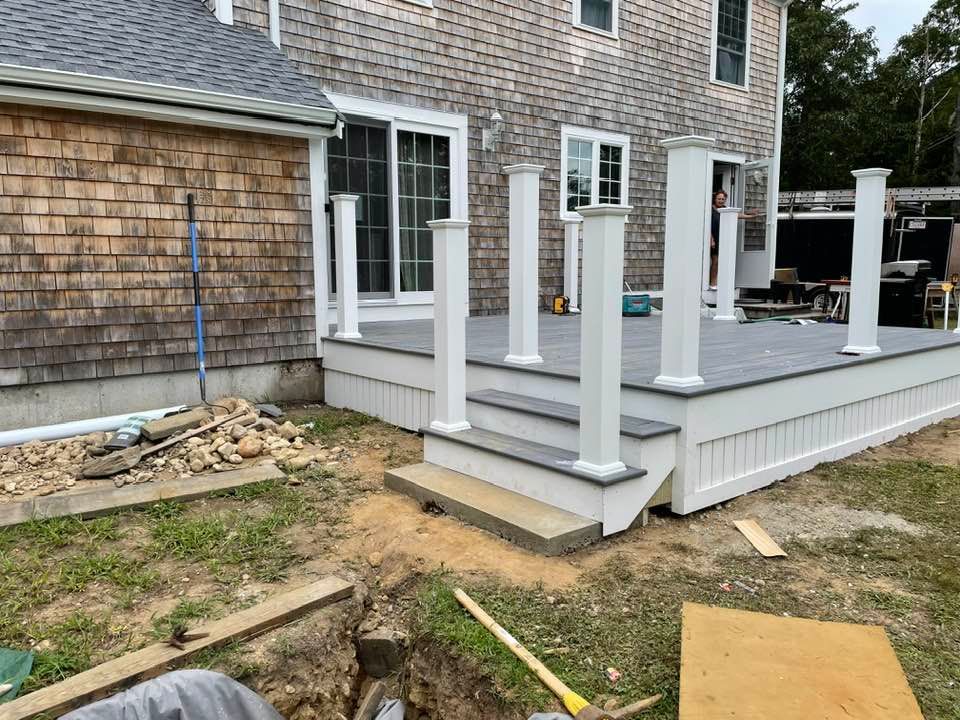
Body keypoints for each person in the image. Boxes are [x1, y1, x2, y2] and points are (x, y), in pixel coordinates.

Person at [709, 189, 759, 289]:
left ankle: (717, 283)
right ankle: (712, 284)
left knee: (720, 262)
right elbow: (707, 225)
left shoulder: (725, 209)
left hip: (722, 238)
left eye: (723, 199)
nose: (721, 200)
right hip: (713, 238)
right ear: (715, 199)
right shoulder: (710, 209)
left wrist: (750, 216)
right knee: (715, 261)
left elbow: (737, 215)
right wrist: (711, 238)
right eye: (719, 198)